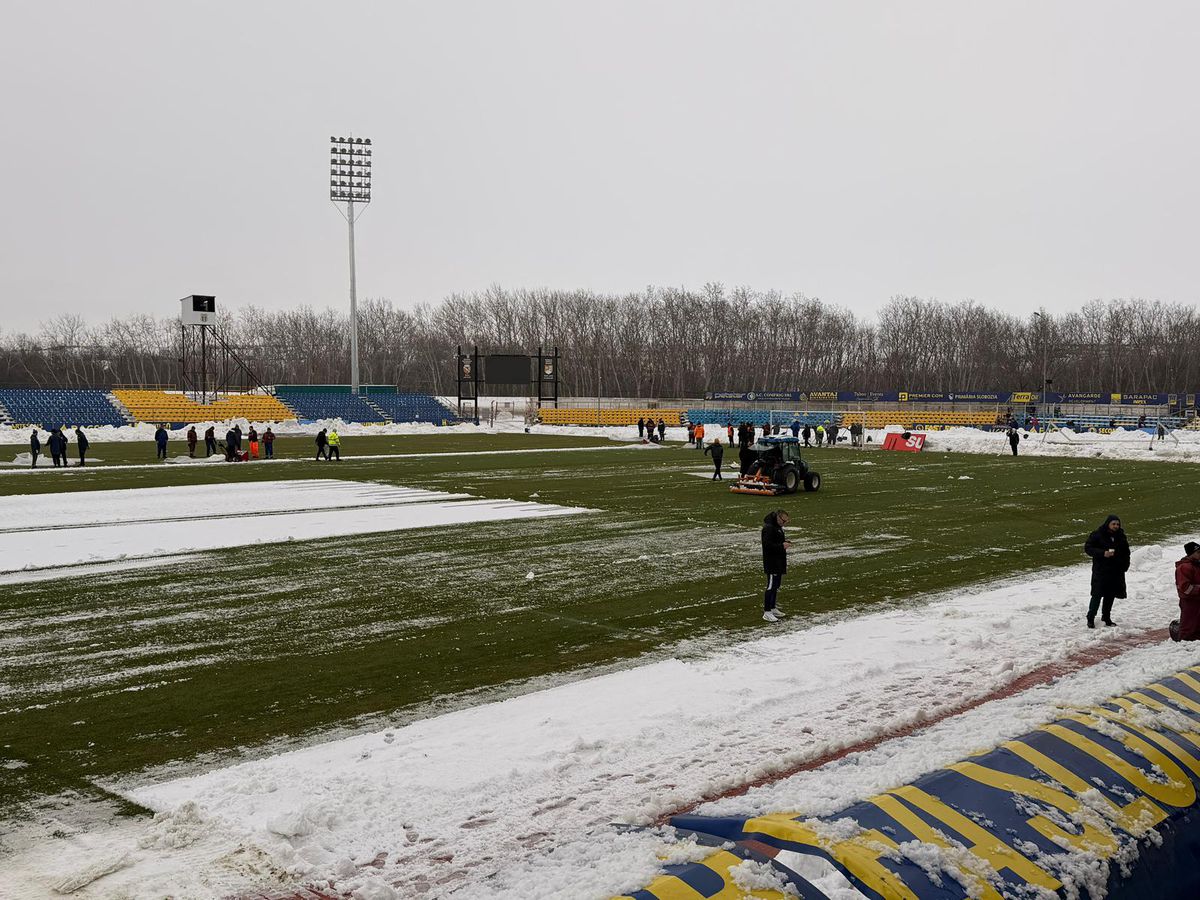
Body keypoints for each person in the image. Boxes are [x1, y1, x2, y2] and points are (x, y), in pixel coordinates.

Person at [1084, 514, 1130, 628]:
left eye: (1117, 524)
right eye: (1113, 524)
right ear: (1108, 524)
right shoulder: (1098, 535)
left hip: (1116, 571)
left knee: (1110, 595)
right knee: (1097, 595)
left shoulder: (1121, 536)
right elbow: (1088, 548)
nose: (1116, 526)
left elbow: (1126, 553)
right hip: (1101, 571)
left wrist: (1125, 566)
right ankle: (1091, 617)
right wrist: (1103, 553)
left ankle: (1106, 617)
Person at [761, 509, 792, 623]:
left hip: (778, 561)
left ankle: (773, 608)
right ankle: (767, 611)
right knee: (771, 586)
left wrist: (784, 543)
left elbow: (776, 541)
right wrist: (781, 546)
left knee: (776, 585)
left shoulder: (777, 527)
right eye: (783, 521)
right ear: (778, 518)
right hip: (772, 562)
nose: (784, 524)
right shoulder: (769, 528)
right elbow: (767, 545)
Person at [1170, 541, 1200, 642]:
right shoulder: (1185, 567)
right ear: (1191, 554)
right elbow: (1185, 587)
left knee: (1197, 624)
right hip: (1189, 602)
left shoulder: (1196, 565)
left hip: (1197, 600)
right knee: (1188, 625)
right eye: (1198, 552)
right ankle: (1183, 643)